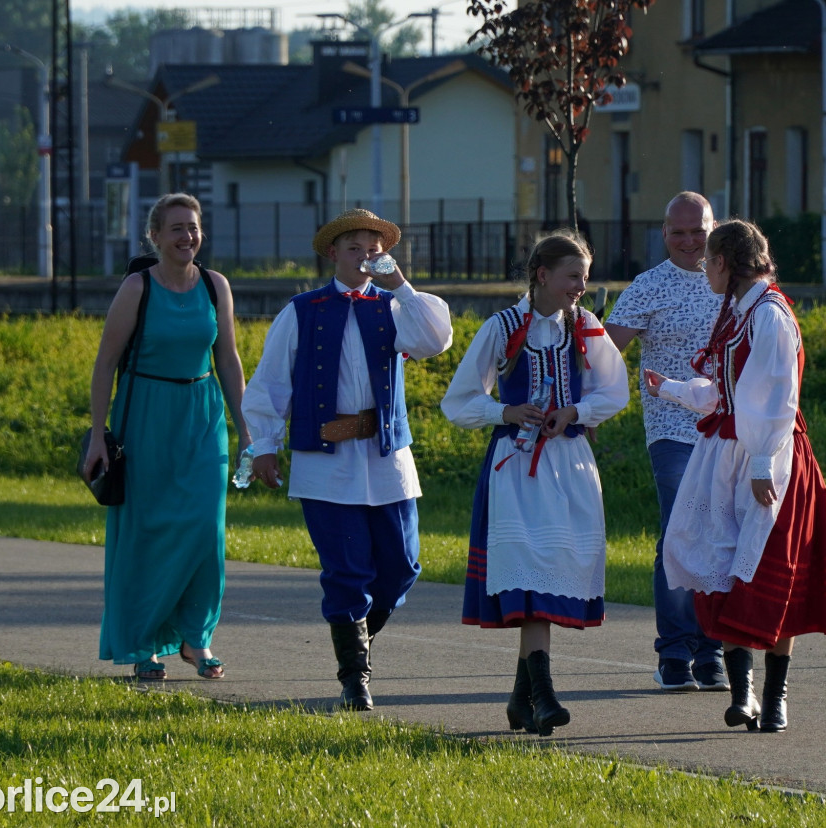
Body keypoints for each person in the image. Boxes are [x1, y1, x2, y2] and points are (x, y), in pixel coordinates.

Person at [645, 218, 826, 732]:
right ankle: (742, 694)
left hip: (769, 460)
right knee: (723, 568)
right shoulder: (737, 311)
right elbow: (725, 393)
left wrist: (759, 465)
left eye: (710, 259)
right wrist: (670, 389)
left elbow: (777, 398)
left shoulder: (770, 315)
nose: (704, 267)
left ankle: (774, 697)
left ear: (727, 263)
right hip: (726, 456)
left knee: (771, 574)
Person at [241, 208, 453, 712]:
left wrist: (400, 284)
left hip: (386, 455)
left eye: (374, 249)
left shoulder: (396, 307)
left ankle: (356, 635)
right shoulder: (303, 310)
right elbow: (271, 383)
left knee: (402, 565)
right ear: (333, 253)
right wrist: (264, 445)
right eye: (354, 248)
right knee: (346, 570)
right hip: (325, 459)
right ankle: (354, 677)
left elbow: (435, 341)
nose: (366, 257)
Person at [441, 229, 629, 736]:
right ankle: (543, 697)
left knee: (546, 574)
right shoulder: (503, 327)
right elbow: (458, 401)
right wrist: (503, 409)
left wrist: (577, 410)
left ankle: (523, 699)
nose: (580, 289)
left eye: (585, 279)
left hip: (568, 466)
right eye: (573, 277)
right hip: (516, 466)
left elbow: (616, 390)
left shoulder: (585, 327)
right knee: (527, 575)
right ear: (543, 275)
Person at [83, 192, 250, 681]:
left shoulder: (216, 287)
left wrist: (247, 432)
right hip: (147, 418)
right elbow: (105, 364)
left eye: (193, 227)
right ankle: (142, 644)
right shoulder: (138, 288)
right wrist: (98, 435)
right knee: (147, 533)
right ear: (155, 236)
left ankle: (196, 639)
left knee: (205, 530)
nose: (187, 236)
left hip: (202, 417)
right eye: (176, 228)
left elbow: (229, 362)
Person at [604, 192, 726, 692]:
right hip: (672, 430)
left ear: (713, 229)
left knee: (719, 534)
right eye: (679, 232)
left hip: (726, 430)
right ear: (664, 234)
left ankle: (711, 651)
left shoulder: (734, 286)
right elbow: (604, 354)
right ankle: (674, 653)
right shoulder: (647, 286)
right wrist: (584, 412)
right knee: (679, 532)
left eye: (698, 230)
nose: (689, 241)